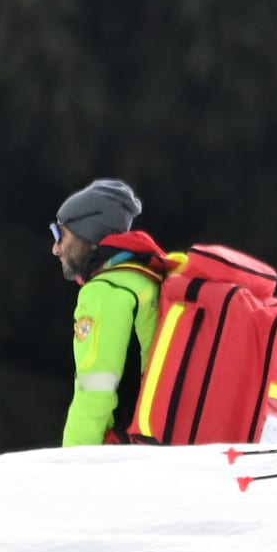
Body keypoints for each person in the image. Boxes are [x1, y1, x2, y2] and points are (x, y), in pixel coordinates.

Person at [50, 178, 160, 446]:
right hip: (155, 447)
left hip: (124, 454)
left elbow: (95, 391)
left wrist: (70, 463)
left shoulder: (106, 290)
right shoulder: (148, 280)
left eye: (60, 234)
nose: (55, 248)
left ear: (88, 233)